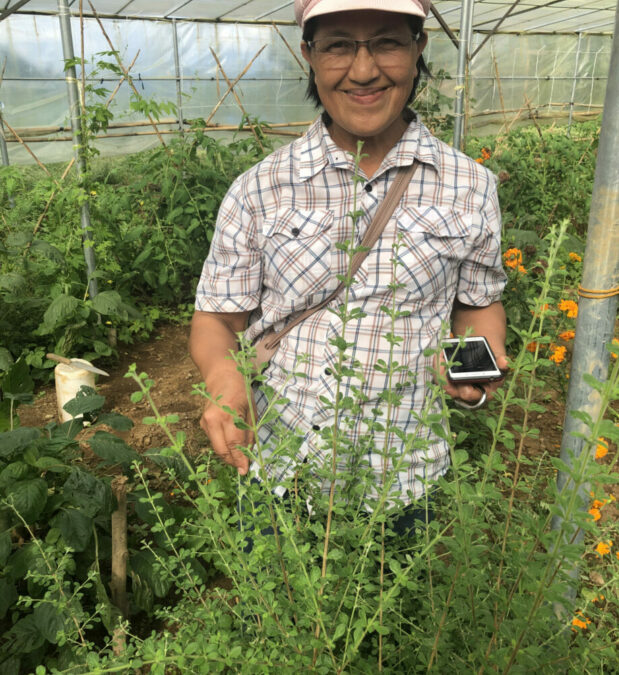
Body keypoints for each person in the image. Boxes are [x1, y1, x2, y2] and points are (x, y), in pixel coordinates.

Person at [189, 0, 508, 526]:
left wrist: (476, 360)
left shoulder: (471, 186)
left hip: (408, 478)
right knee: (278, 605)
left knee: (402, 606)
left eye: (386, 41)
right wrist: (226, 381)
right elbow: (218, 319)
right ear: (309, 54)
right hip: (279, 472)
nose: (364, 71)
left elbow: (478, 303)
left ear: (418, 47)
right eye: (338, 44)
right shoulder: (260, 189)